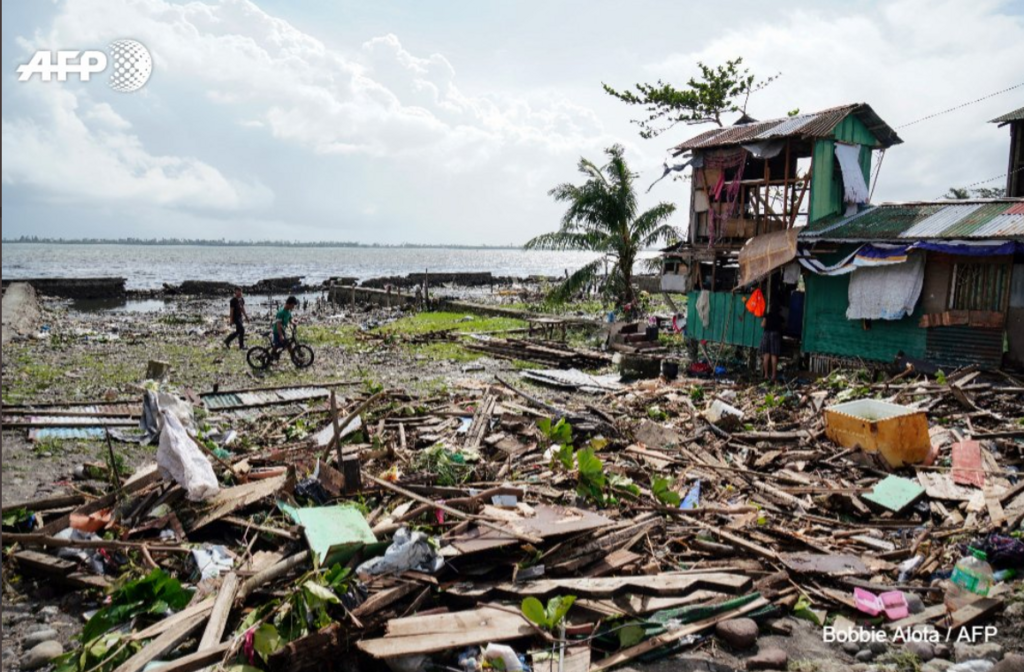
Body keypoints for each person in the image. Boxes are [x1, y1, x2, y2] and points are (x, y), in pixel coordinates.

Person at [760, 302, 783, 382]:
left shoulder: (767, 315)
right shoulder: (780, 317)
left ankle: (766, 375)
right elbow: (782, 328)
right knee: (774, 355)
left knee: (766, 355)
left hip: (766, 334)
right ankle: (773, 376)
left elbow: (762, 325)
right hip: (775, 335)